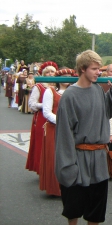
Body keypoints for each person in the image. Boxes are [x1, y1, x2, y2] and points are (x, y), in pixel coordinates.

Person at [55, 50, 112, 225]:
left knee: (96, 211)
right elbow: (64, 135)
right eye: (94, 68)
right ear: (82, 69)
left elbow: (105, 113)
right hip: (78, 159)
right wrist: (68, 166)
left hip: (99, 160)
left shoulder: (98, 91)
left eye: (99, 68)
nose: (98, 72)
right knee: (74, 208)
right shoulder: (69, 96)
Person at [39, 67, 75, 196]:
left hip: (71, 129)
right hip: (54, 128)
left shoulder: (74, 91)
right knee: (54, 156)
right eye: (64, 76)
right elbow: (47, 112)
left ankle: (69, 185)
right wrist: (63, 122)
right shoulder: (51, 91)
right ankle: (55, 188)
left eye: (69, 76)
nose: (67, 79)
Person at [26, 61, 58, 174]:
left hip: (56, 117)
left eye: (52, 72)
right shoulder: (39, 86)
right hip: (41, 118)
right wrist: (46, 105)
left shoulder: (58, 86)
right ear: (44, 74)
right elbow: (32, 104)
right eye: (48, 72)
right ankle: (41, 169)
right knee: (42, 143)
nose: (50, 74)